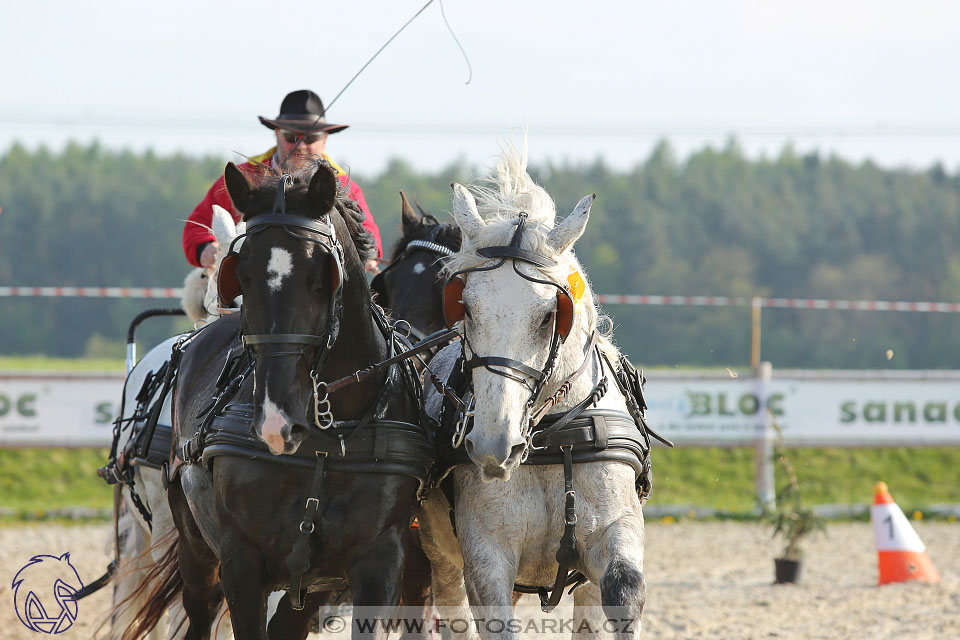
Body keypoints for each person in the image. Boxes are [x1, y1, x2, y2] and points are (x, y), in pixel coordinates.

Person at [182, 89, 382, 272]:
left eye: (310, 138)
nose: (301, 145)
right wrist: (206, 248)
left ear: (325, 139)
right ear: (277, 134)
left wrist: (368, 254)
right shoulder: (245, 177)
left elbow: (368, 235)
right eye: (291, 136)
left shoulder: (345, 186)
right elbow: (197, 226)